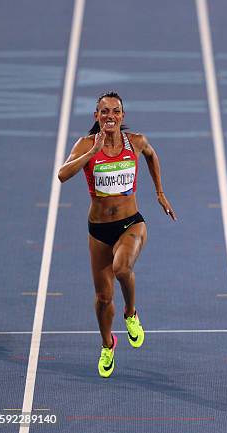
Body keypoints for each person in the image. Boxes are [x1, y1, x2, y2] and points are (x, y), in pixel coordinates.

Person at [58, 91, 176, 377]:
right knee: (103, 297)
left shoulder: (135, 141)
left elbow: (151, 155)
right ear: (96, 116)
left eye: (115, 111)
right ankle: (107, 343)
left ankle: (131, 313)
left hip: (131, 223)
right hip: (99, 230)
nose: (110, 116)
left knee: (122, 269)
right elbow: (62, 174)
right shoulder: (86, 144)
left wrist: (159, 192)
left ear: (122, 116)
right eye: (104, 111)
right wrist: (91, 153)